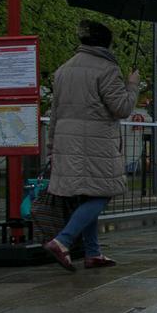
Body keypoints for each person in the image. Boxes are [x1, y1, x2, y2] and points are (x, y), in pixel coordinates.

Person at [43, 19, 142, 271]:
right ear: (106, 43)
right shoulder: (106, 69)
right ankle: (63, 240)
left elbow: (54, 112)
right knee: (103, 192)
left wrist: (52, 146)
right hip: (95, 144)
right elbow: (121, 108)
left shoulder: (63, 69)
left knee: (87, 195)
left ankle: (93, 252)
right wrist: (132, 85)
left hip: (67, 142)